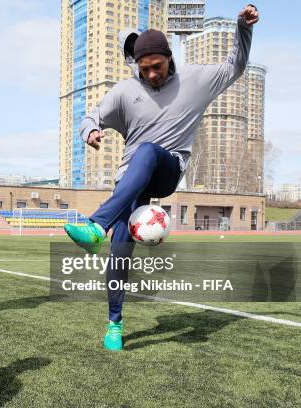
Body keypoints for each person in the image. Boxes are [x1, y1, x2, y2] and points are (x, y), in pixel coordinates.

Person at [64, 5, 259, 350]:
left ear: (169, 58)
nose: (151, 74)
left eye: (157, 67)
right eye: (144, 69)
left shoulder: (196, 80)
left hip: (167, 168)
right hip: (131, 182)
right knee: (120, 252)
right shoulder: (125, 92)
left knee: (149, 151)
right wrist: (91, 131)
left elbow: (235, 65)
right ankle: (114, 324)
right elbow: (90, 117)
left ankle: (96, 225)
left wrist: (241, 28)